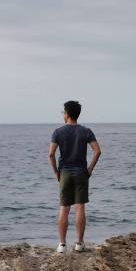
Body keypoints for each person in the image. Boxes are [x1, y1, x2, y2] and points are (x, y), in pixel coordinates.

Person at [48, 100, 101, 253]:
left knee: (64, 208)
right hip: (81, 172)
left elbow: (51, 154)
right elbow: (97, 151)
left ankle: (62, 245)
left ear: (67, 114)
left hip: (64, 172)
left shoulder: (58, 132)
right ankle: (79, 243)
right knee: (80, 208)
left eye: (63, 112)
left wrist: (56, 172)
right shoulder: (86, 131)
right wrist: (89, 169)